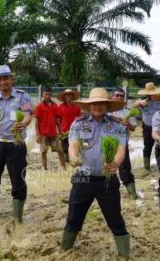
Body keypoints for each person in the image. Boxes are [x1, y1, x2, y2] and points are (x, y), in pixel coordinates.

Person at [60, 88, 130, 259]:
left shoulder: (117, 125)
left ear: (107, 105)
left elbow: (122, 149)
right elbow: (73, 145)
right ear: (89, 106)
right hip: (83, 178)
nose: (98, 106)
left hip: (107, 179)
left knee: (115, 219)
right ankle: (65, 249)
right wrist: (73, 157)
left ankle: (124, 254)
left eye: (101, 103)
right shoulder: (78, 123)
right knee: (74, 217)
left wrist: (116, 163)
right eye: (94, 103)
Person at [0, 65, 32, 221]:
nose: (2, 82)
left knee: (18, 181)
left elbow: (27, 115)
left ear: (12, 79)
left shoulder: (22, 96)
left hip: (16, 144)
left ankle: (18, 216)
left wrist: (24, 124)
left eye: (5, 78)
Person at [110, 88, 138, 199]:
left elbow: (133, 129)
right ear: (112, 96)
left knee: (125, 169)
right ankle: (107, 193)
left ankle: (132, 193)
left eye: (122, 95)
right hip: (106, 144)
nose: (119, 97)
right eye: (117, 95)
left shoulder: (128, 111)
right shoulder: (106, 110)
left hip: (122, 144)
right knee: (106, 169)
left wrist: (127, 124)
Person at [132, 82, 160, 171]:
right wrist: (140, 102)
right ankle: (147, 167)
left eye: (153, 93)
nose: (151, 94)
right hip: (148, 127)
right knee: (148, 146)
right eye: (150, 93)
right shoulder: (143, 101)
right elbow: (133, 106)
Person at [35, 86, 66, 170]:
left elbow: (57, 120)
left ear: (51, 95)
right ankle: (45, 168)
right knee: (44, 152)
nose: (48, 96)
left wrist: (60, 131)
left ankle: (64, 168)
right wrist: (37, 134)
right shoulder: (39, 106)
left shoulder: (55, 105)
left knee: (60, 151)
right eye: (46, 94)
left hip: (53, 134)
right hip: (43, 134)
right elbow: (36, 121)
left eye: (49, 94)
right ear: (42, 95)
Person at [57, 89, 81, 163]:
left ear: (72, 96)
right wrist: (59, 130)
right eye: (67, 95)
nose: (68, 96)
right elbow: (58, 119)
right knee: (64, 148)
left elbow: (79, 119)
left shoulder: (77, 107)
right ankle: (66, 161)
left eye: (70, 95)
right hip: (64, 130)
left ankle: (72, 159)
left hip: (74, 130)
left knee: (73, 145)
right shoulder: (60, 106)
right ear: (64, 97)